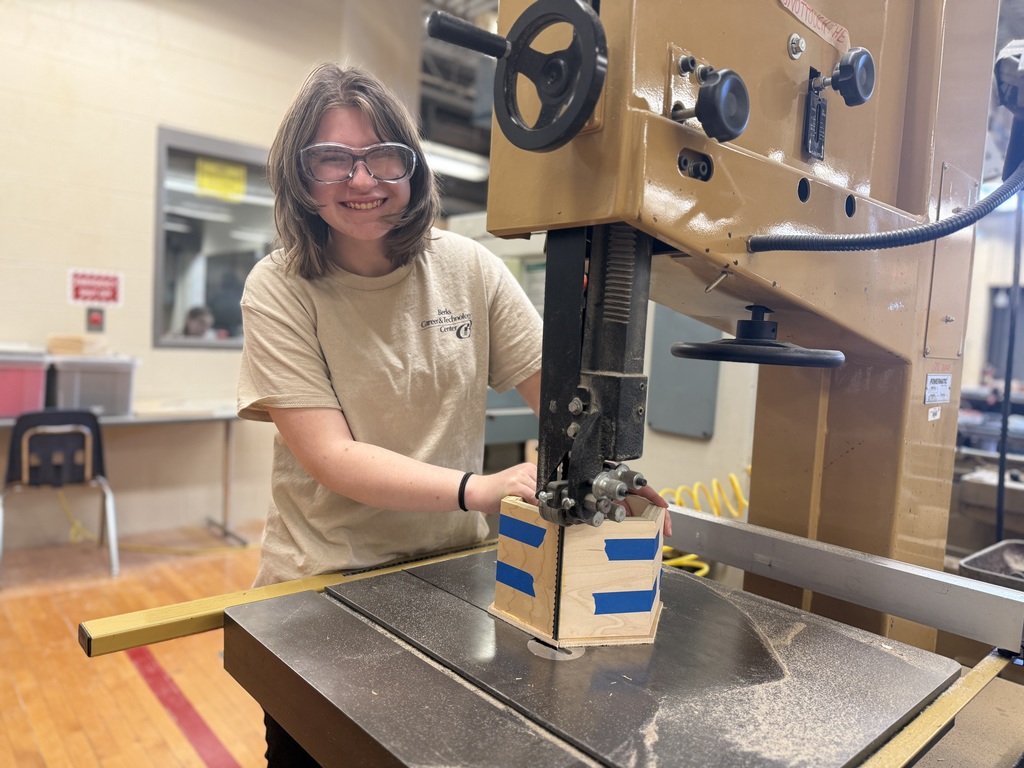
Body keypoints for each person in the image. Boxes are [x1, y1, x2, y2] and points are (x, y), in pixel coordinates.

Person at [237, 62, 667, 765]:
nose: (362, 180)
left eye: (383, 157)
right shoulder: (279, 288)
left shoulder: (469, 268)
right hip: (323, 586)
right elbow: (331, 457)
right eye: (332, 160)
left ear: (412, 168)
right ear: (298, 174)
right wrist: (482, 489)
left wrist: (611, 471)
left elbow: (562, 404)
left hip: (447, 579)